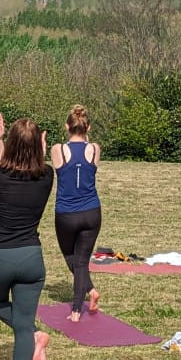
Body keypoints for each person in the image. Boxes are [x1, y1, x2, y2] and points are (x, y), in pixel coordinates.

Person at [0, 112, 54, 360]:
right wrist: (40, 152)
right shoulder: (48, 176)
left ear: (10, 144)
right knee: (24, 326)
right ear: (40, 146)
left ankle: (35, 335)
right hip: (31, 259)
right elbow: (28, 168)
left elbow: (3, 169)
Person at [51, 104, 103, 319]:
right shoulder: (95, 149)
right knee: (81, 261)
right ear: (88, 127)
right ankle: (90, 291)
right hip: (92, 212)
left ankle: (75, 309)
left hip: (66, 214)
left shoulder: (58, 149)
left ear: (67, 126)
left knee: (73, 258)